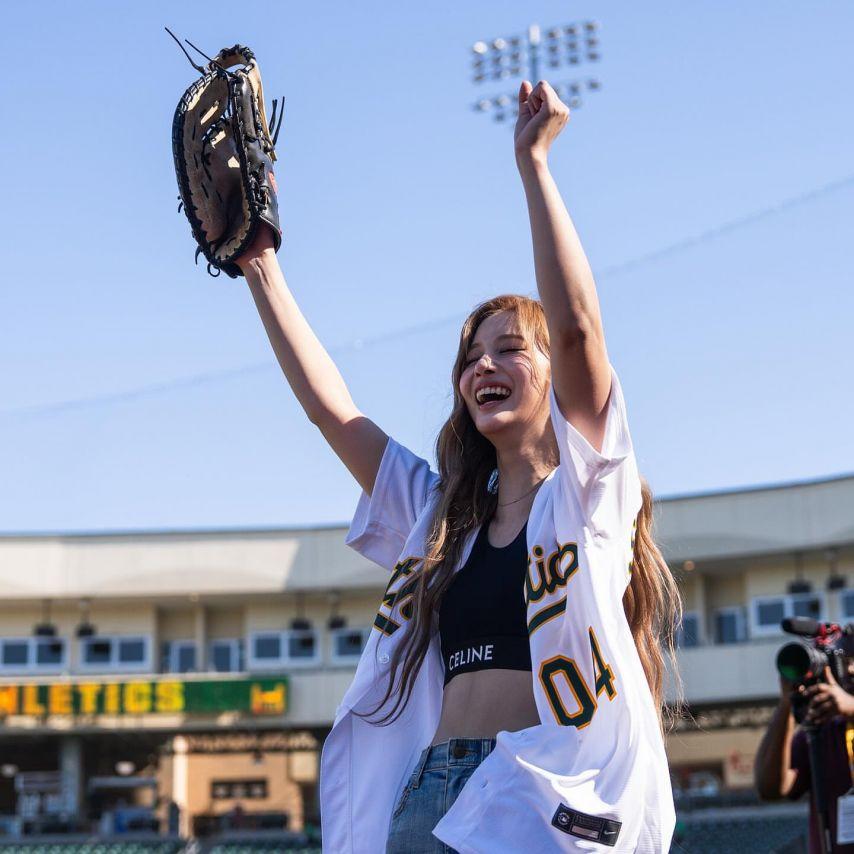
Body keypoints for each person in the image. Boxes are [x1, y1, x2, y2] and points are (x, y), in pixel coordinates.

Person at [235, 80, 681, 852]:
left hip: (532, 802)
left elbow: (576, 331)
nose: (483, 367)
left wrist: (533, 164)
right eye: (471, 357)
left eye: (509, 349)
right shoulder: (440, 513)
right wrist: (258, 263)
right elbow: (330, 410)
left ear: (550, 376)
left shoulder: (588, 491)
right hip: (427, 798)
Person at [755, 662, 854, 853]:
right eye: (845, 661)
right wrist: (787, 704)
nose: (850, 670)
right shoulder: (824, 731)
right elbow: (770, 788)